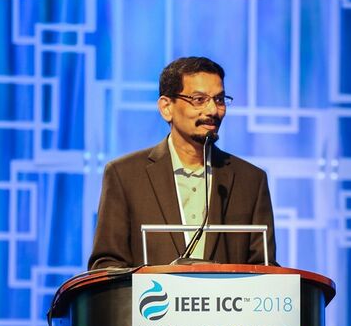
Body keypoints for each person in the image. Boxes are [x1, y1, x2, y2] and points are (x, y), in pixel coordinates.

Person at [88, 56, 277, 269]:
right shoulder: (125, 176)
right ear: (166, 107)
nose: (212, 111)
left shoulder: (251, 181)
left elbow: (264, 268)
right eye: (199, 99)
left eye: (219, 100)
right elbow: (107, 265)